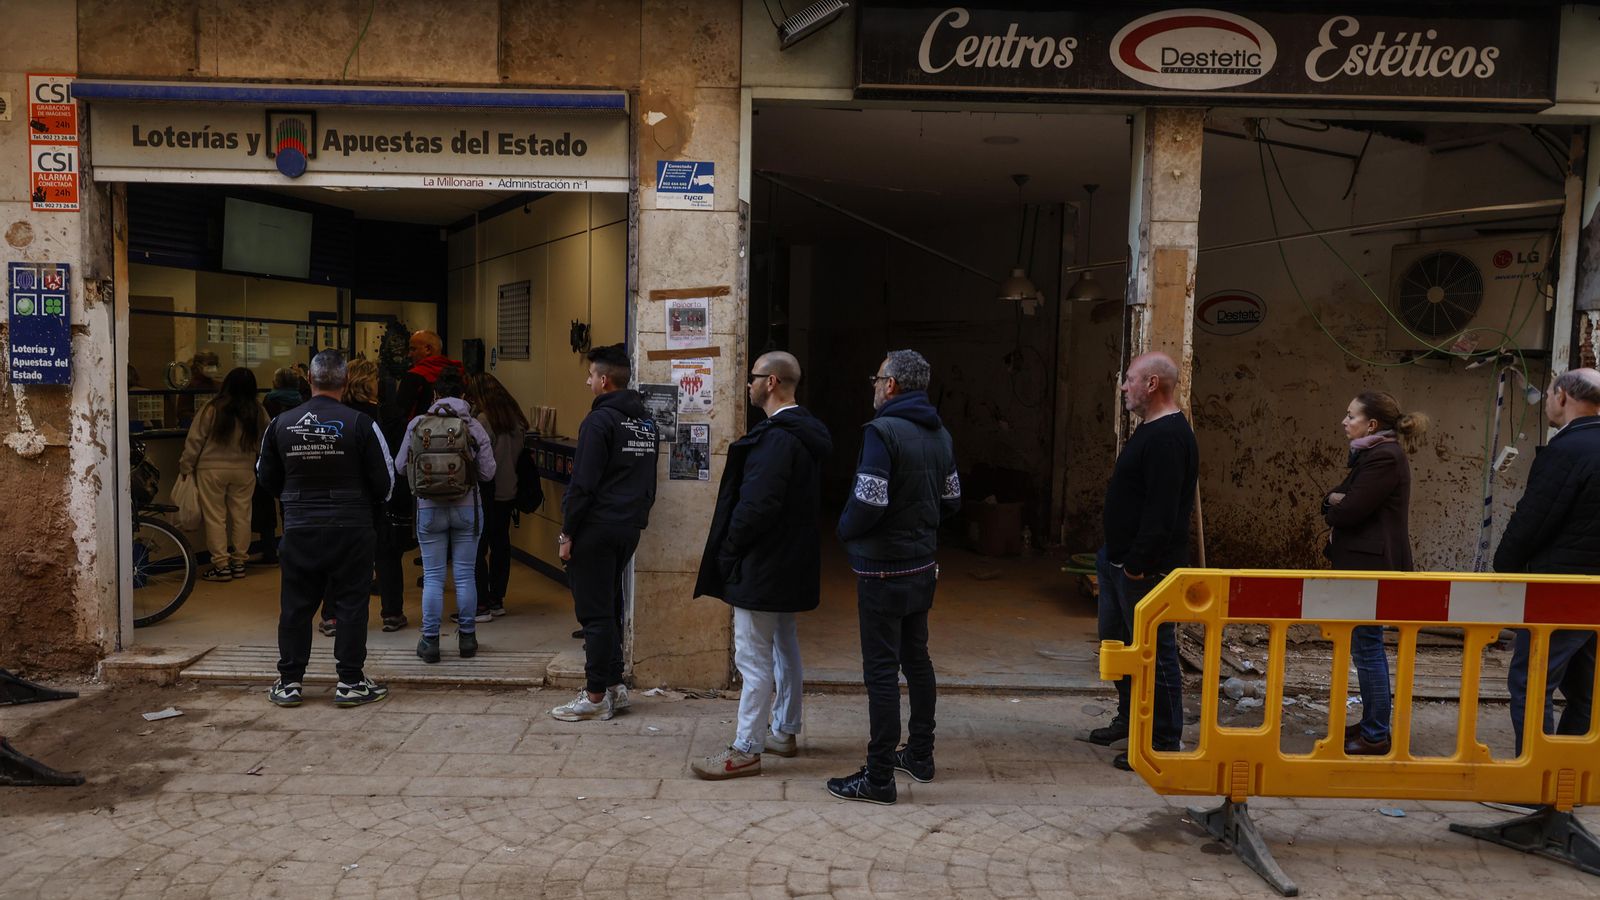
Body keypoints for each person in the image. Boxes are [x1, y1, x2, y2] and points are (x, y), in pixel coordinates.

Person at [826, 349, 960, 805]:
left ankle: (879, 777)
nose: (874, 385)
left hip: (882, 570)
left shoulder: (881, 433)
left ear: (892, 385)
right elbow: (953, 499)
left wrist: (844, 531)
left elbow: (869, 502)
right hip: (921, 567)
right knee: (916, 660)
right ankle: (920, 755)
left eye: (877, 378)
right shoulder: (940, 433)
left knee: (881, 671)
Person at [691, 352, 833, 780]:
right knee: (784, 647)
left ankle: (745, 749)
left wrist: (729, 550)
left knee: (752, 659)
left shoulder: (777, 439)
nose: (747, 384)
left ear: (771, 382)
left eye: (752, 377)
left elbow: (756, 506)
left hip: (762, 565)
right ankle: (784, 730)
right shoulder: (805, 433)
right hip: (788, 563)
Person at [257, 350, 394, 708]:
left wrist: (293, 500)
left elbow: (265, 476)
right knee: (351, 605)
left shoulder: (281, 424)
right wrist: (366, 508)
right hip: (352, 527)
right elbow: (386, 481)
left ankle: (289, 682)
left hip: (300, 526)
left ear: (310, 380)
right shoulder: (362, 424)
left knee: (295, 606)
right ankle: (350, 682)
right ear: (346, 381)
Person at [1090, 351, 1199, 772]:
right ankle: (1130, 718)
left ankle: (1163, 739)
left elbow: (1162, 512)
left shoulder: (1169, 438)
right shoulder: (1150, 429)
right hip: (1119, 561)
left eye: (1130, 379)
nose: (1124, 387)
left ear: (1152, 384)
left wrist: (1137, 564)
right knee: (1120, 646)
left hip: (1144, 568)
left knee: (1156, 651)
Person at [549, 344, 659, 722]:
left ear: (605, 380)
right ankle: (614, 686)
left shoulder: (599, 422)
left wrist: (567, 533)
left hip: (596, 529)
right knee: (610, 607)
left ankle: (594, 696)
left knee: (594, 614)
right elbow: (648, 482)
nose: (588, 382)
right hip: (628, 528)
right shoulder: (646, 423)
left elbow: (582, 484)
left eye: (591, 375)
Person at [1494, 368, 1600, 756]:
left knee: (1531, 682)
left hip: (1560, 590)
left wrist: (1503, 569)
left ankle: (1538, 774)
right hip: (1594, 594)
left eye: (1551, 394)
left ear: (1562, 396)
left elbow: (1532, 520)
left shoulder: (1566, 450)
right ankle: (1568, 770)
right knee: (1586, 690)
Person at [1323, 391, 1428, 756]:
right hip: (1365, 566)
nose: (1344, 421)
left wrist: (1336, 504)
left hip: (1371, 568)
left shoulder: (1384, 457)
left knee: (1368, 647)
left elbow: (1349, 509)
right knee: (1365, 646)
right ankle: (1373, 724)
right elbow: (1337, 496)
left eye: (1351, 416)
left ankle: (1376, 734)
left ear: (1371, 424)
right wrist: (1335, 500)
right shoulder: (1372, 455)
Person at [393, 365, 496, 663]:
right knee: (464, 575)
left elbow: (400, 467)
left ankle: (430, 641)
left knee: (434, 577)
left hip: (429, 510)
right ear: (464, 395)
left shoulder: (417, 424)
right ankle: (467, 639)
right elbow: (488, 473)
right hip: (467, 509)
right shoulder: (473, 426)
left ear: (435, 394)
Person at [180, 367, 270, 583]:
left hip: (211, 470)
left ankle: (221, 566)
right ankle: (239, 563)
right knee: (242, 516)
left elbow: (195, 440)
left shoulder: (212, 408)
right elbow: (266, 440)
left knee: (215, 518)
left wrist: (186, 466)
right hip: (244, 470)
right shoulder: (258, 411)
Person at [468, 372, 529, 621]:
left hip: (487, 492)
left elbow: (479, 460)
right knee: (501, 545)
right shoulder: (516, 419)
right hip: (509, 490)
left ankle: (481, 602)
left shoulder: (483, 421)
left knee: (477, 548)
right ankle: (497, 599)